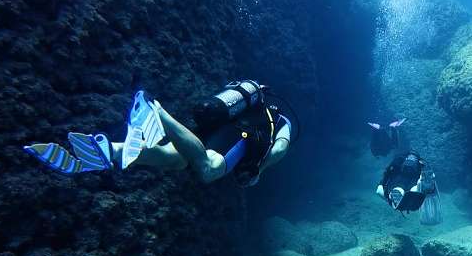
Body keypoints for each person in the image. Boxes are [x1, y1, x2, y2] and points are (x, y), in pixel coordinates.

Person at [24, 80, 291, 186]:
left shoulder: (243, 101)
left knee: (174, 159)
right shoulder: (280, 119)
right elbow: (280, 149)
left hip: (213, 125)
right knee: (209, 168)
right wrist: (259, 170)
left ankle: (109, 151)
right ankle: (157, 112)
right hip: (241, 134)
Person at [377, 149, 441, 225]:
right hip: (412, 183)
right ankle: (409, 192)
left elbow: (388, 172)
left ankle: (395, 193)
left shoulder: (399, 159)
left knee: (380, 190)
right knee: (413, 188)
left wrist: (382, 184)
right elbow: (429, 177)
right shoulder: (422, 163)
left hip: (397, 180)